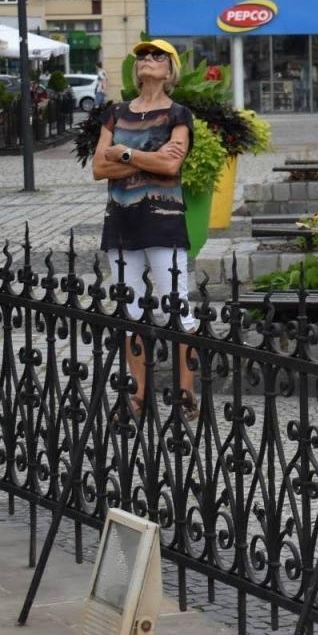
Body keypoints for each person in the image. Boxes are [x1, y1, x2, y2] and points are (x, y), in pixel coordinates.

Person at [91, 38, 199, 422]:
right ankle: (137, 395)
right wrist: (147, 159)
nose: (147, 61)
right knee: (129, 309)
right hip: (121, 222)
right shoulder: (115, 113)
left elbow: (172, 167)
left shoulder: (178, 114)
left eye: (156, 56)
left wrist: (123, 153)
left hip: (164, 221)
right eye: (141, 56)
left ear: (170, 69)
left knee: (177, 307)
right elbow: (99, 168)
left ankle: (186, 394)